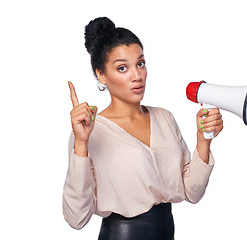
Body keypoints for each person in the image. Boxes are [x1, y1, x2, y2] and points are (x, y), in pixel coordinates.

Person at [62, 16, 223, 240]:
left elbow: (191, 192)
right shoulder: (91, 131)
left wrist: (203, 140)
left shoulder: (164, 118)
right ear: (101, 74)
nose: (137, 76)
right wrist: (81, 143)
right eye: (122, 68)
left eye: (140, 63)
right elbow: (76, 218)